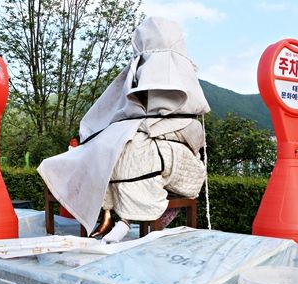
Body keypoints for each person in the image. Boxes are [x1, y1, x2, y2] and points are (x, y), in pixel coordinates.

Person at [38, 16, 210, 243]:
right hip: (145, 135)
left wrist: (148, 125)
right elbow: (116, 111)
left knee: (133, 151)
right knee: (104, 147)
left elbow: (187, 124)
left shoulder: (181, 82)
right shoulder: (136, 72)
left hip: (171, 150)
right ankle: (107, 212)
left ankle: (125, 221)